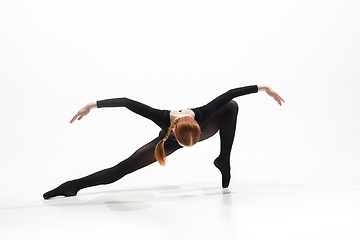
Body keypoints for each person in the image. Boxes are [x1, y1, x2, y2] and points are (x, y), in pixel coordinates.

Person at [43, 85, 284, 200]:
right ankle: (71, 186)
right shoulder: (162, 119)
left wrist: (265, 89)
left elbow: (231, 93)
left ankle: (223, 160)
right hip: (168, 143)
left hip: (192, 133)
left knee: (231, 107)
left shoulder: (202, 114)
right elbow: (127, 101)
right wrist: (91, 105)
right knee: (121, 169)